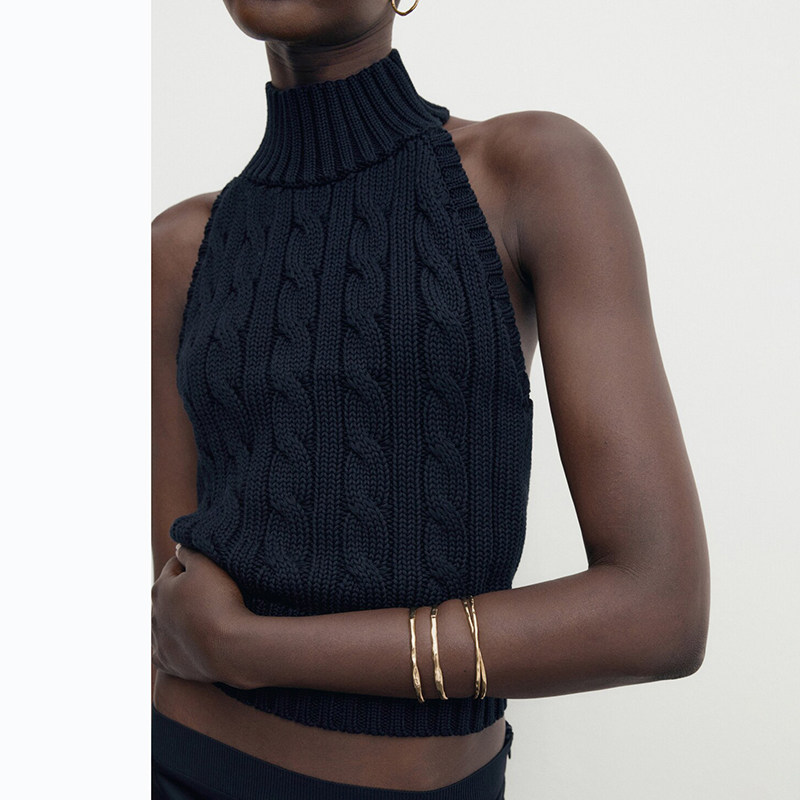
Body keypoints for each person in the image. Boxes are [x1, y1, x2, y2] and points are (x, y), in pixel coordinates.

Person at [151, 1, 711, 797]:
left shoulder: (531, 173)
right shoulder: (179, 250)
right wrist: (218, 643)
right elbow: (180, 613)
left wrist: (250, 649)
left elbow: (660, 613)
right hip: (180, 767)